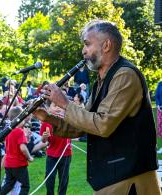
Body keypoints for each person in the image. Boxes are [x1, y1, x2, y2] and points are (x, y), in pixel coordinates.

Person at [33, 20, 160, 194]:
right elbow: (84, 124)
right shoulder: (102, 81)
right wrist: (46, 117)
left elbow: (102, 125)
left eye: (87, 44)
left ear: (106, 45)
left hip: (129, 179)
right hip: (113, 177)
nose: (83, 51)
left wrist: (64, 103)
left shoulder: (125, 75)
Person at [0, 106, 33, 195]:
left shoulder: (7, 131)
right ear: (19, 118)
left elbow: (7, 147)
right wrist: (29, 157)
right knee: (25, 186)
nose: (25, 119)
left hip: (9, 164)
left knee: (8, 185)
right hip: (19, 164)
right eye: (23, 117)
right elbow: (23, 148)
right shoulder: (20, 131)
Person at [40, 103, 72, 195]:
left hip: (65, 154)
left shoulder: (66, 119)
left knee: (63, 180)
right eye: (55, 105)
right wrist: (44, 137)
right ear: (49, 108)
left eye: (60, 106)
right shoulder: (46, 122)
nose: (58, 108)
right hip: (51, 155)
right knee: (49, 178)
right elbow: (43, 141)